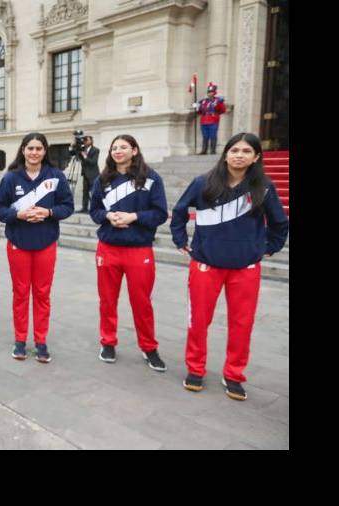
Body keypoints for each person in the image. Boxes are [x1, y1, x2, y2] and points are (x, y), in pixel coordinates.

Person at [170, 132, 288, 401]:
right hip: (205, 265)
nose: (239, 155)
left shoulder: (264, 187)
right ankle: (196, 368)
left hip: (245, 268)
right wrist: (180, 239)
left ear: (256, 157)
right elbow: (179, 212)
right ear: (226, 153)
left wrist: (268, 248)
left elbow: (280, 223)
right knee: (198, 321)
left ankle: (234, 374)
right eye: (235, 150)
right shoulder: (203, 183)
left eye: (246, 151)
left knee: (241, 323)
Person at [0, 133, 74, 363]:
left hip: (46, 243)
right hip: (18, 243)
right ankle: (20, 339)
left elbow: (68, 206)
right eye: (30, 148)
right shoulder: (11, 178)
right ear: (23, 150)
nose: (34, 152)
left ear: (45, 151)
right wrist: (18, 214)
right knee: (20, 293)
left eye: (39, 148)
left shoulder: (56, 177)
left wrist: (48, 212)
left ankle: (40, 340)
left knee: (42, 294)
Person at [89, 135, 169, 371]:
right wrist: (107, 216)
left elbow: (160, 213)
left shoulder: (151, 178)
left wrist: (134, 217)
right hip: (108, 248)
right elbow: (94, 210)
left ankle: (149, 347)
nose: (118, 151)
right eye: (114, 147)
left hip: (139, 250)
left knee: (142, 302)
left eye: (123, 147)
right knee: (107, 300)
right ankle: (108, 342)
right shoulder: (102, 180)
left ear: (134, 150)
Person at [194, 82, 228, 155]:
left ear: (214, 93)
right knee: (205, 136)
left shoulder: (218, 100)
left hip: (213, 120)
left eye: (211, 92)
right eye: (209, 92)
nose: (210, 94)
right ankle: (204, 150)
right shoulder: (203, 101)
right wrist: (196, 106)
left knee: (213, 135)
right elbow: (199, 111)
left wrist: (220, 103)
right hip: (204, 120)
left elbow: (222, 110)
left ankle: (213, 150)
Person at [70, 135, 100, 213]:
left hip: (93, 174)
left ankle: (96, 208)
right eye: (84, 140)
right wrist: (73, 147)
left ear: (91, 141)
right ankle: (84, 208)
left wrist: (85, 156)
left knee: (93, 192)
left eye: (87, 140)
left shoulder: (96, 150)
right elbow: (74, 155)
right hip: (85, 174)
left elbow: (93, 162)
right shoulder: (82, 150)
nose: (85, 141)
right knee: (85, 192)